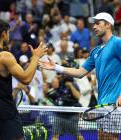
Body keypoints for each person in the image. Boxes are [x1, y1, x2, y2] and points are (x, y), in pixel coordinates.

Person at [39, 12, 121, 140]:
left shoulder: (117, 43)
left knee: (110, 137)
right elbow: (80, 72)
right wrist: (56, 67)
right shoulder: (96, 51)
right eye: (94, 24)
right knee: (102, 137)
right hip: (102, 104)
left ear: (108, 25)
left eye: (98, 23)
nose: (94, 26)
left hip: (114, 104)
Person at [0, 18, 47, 140]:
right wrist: (35, 57)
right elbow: (26, 78)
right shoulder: (4, 56)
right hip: (5, 114)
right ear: (3, 34)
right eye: (9, 33)